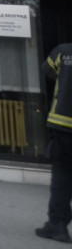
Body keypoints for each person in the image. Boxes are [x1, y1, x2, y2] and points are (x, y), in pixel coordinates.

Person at [38, 42, 72, 243]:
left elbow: (47, 70)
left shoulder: (64, 51)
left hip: (62, 123)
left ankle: (57, 224)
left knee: (62, 175)